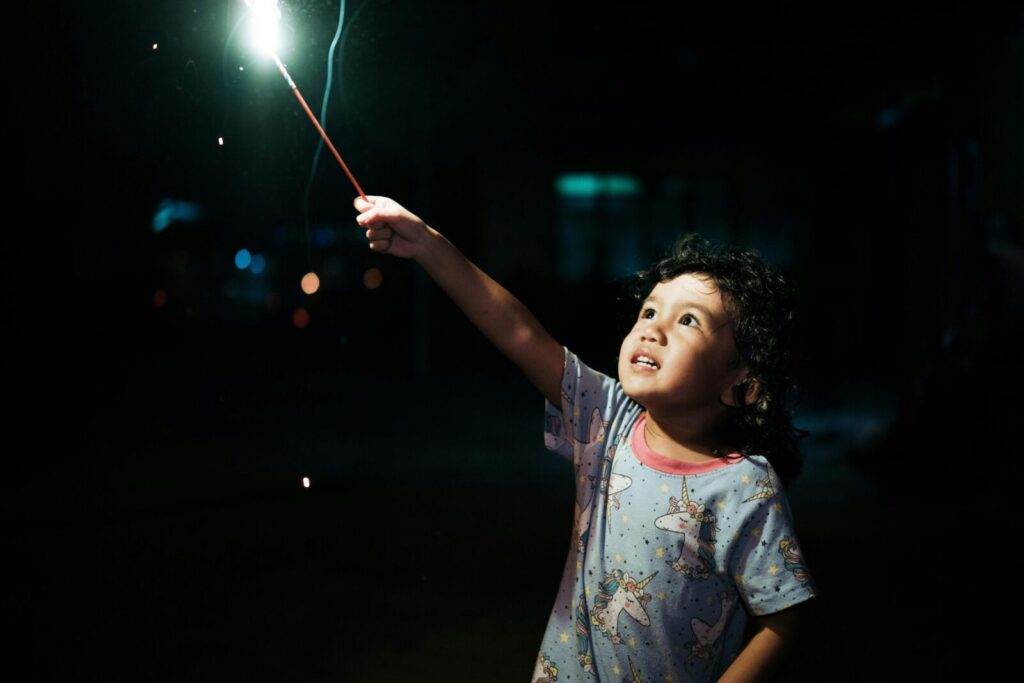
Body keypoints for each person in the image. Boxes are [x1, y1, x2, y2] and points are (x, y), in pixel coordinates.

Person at [354, 195, 819, 682]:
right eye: (649, 312)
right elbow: (516, 331)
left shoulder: (746, 486)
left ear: (740, 385)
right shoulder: (609, 420)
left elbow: (783, 619)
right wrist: (428, 244)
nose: (654, 329)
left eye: (687, 321)